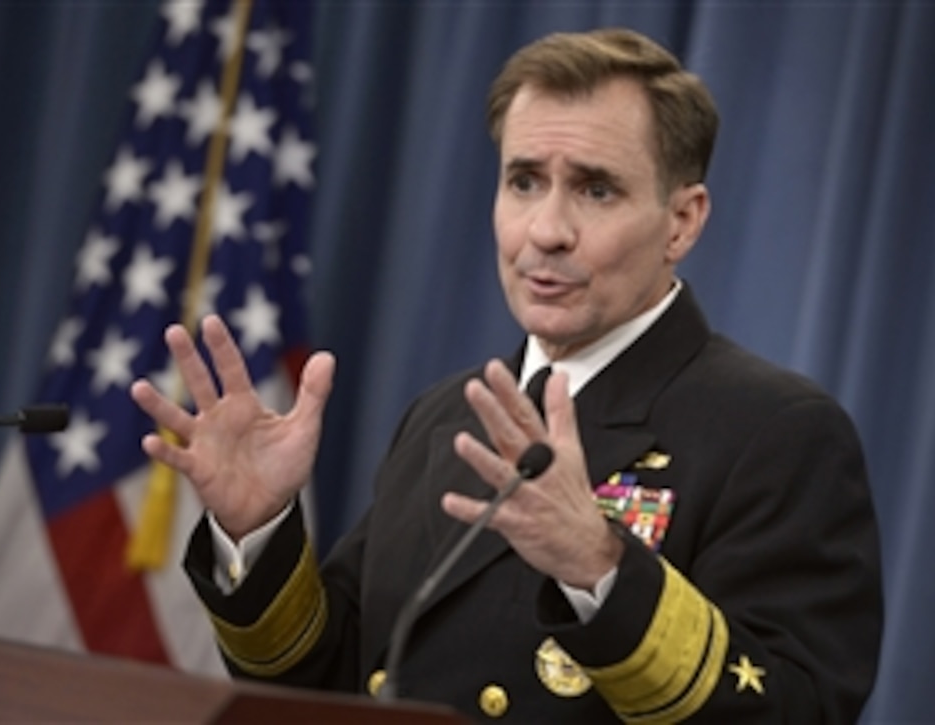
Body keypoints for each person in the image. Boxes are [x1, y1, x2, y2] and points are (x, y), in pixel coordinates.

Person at [131, 27, 882, 723]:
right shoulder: (442, 417)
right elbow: (328, 679)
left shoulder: (776, 430)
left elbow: (800, 707)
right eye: (524, 181)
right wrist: (257, 531)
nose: (545, 231)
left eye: (596, 189)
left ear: (682, 222)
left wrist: (603, 572)